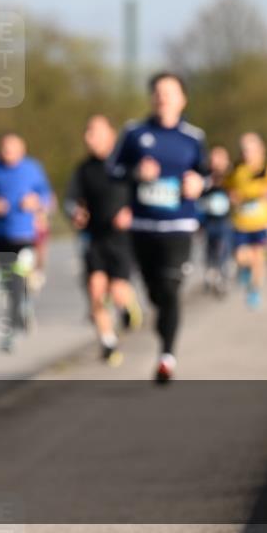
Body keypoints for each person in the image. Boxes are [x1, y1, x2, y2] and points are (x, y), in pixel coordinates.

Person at [108, 72, 206, 383]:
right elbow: (113, 169)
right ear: (152, 99)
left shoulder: (193, 137)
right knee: (155, 294)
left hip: (178, 224)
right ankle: (163, 327)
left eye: (169, 92)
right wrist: (137, 172)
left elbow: (205, 175)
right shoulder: (135, 133)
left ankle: (167, 356)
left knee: (171, 287)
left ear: (182, 99)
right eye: (158, 92)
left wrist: (198, 184)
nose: (162, 97)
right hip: (143, 225)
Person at [64, 116, 141, 365]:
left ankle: (128, 308)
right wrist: (75, 212)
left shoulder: (126, 164)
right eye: (87, 133)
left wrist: (131, 212)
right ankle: (108, 342)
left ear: (111, 134)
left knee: (117, 292)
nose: (89, 138)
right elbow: (70, 200)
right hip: (95, 238)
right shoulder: (83, 169)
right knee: (95, 291)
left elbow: (142, 194)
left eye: (94, 132)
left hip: (122, 240)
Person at [0, 133, 53, 352]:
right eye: (4, 148)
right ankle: (24, 306)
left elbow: (47, 196)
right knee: (8, 283)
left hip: (24, 235)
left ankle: (11, 330)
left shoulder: (32, 168)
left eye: (11, 148)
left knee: (18, 278)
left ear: (22, 149)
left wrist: (36, 202)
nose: (7, 152)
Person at [224, 133, 267, 310]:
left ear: (260, 150)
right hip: (241, 223)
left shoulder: (266, 169)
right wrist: (233, 196)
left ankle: (254, 291)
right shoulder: (237, 170)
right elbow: (228, 188)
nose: (246, 153)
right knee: (240, 257)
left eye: (250, 150)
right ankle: (246, 270)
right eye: (243, 150)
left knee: (259, 258)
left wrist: (260, 193)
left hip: (261, 222)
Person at [198, 146, 233, 298]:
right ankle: (210, 272)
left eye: (220, 158)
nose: (216, 162)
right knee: (209, 247)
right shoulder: (205, 175)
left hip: (225, 219)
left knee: (223, 247)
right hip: (207, 218)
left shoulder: (231, 176)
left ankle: (221, 275)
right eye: (213, 158)